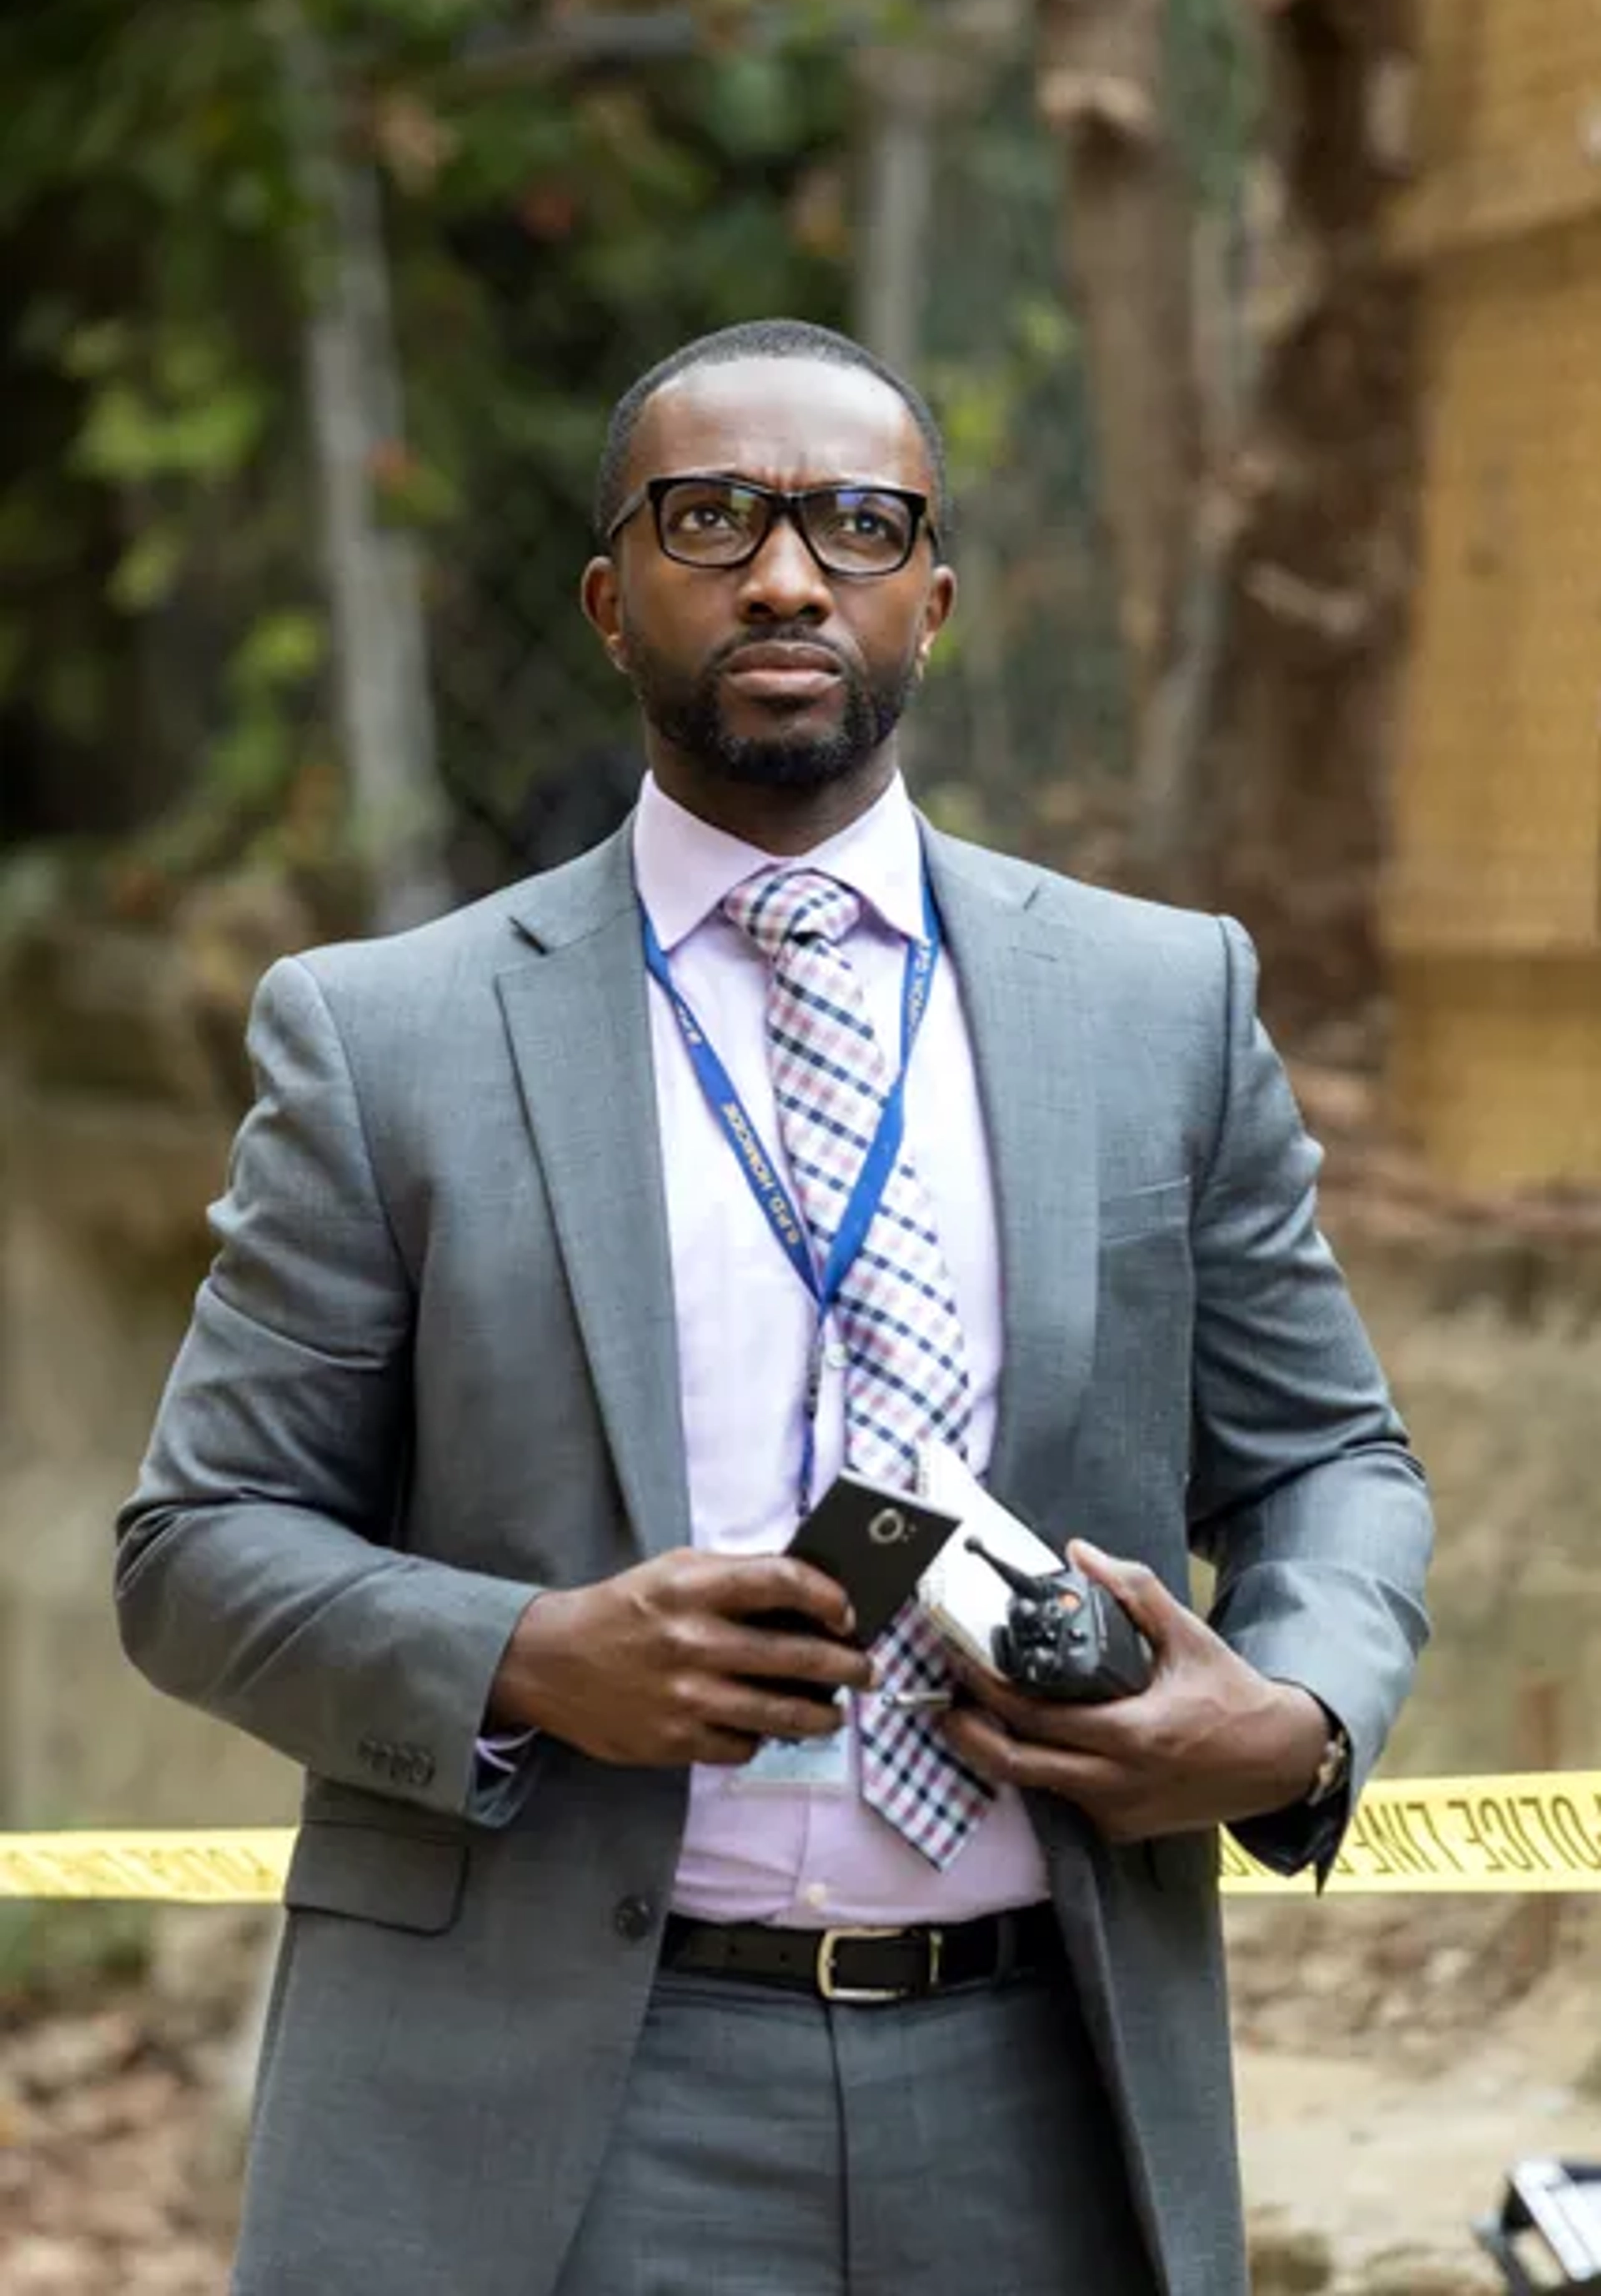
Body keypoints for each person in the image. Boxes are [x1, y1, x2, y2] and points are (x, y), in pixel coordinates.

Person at [116, 318, 1432, 2296]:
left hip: (1042, 2087)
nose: (789, 570)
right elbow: (194, 1548)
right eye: (712, 515)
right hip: (562, 2102)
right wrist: (527, 1654)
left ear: (938, 595)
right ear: (607, 593)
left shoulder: (1163, 1006)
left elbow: (1334, 1453)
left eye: (859, 521)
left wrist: (1298, 1713)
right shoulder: (389, 1039)